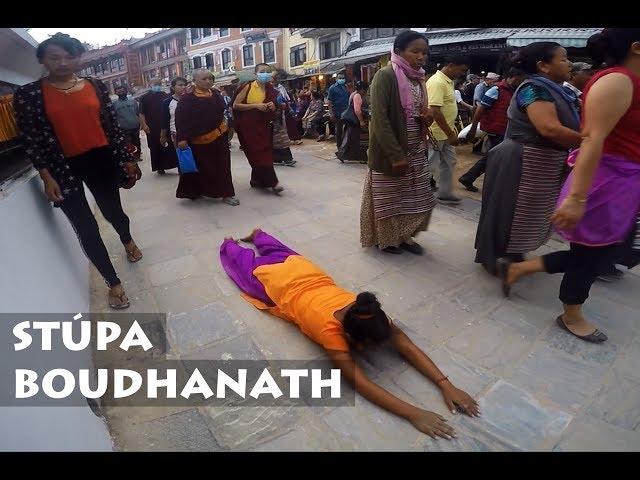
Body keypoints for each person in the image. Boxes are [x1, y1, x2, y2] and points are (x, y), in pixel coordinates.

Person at [220, 228, 480, 438]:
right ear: (348, 335)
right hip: (276, 282)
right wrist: (413, 413)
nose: (371, 352)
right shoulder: (329, 330)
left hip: (304, 270)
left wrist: (447, 385)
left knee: (280, 252)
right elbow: (361, 383)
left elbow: (407, 345)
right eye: (367, 346)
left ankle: (258, 236)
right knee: (240, 262)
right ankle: (232, 242)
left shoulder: (369, 311)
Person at [498, 29, 640, 344]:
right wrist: (577, 198)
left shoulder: (609, 83)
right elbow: (586, 138)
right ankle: (572, 313)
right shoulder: (615, 81)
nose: (568, 64)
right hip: (605, 181)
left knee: (604, 252)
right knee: (590, 255)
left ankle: (521, 270)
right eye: (561, 58)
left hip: (624, 180)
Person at [13, 33, 143, 310]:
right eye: (54, 57)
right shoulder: (29, 95)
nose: (62, 62)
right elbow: (31, 140)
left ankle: (127, 239)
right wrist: (46, 177)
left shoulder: (94, 86)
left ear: (79, 57)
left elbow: (111, 128)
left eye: (69, 56)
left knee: (113, 213)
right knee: (86, 227)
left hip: (100, 160)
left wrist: (126, 159)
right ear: (43, 60)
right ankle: (114, 283)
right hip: (61, 168)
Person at [474, 42, 582, 276]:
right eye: (563, 59)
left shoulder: (558, 90)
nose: (569, 63)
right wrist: (591, 142)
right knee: (506, 211)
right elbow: (549, 129)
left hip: (543, 162)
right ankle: (492, 257)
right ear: (543, 66)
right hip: (521, 159)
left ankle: (513, 252)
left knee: (526, 214)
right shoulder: (534, 89)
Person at [360, 30, 436, 255]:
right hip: (391, 153)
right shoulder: (385, 75)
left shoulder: (419, 77)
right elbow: (380, 120)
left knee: (415, 199)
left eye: (424, 52)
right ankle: (387, 240)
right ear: (399, 51)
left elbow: (419, 111)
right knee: (389, 201)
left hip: (415, 150)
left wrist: (427, 116)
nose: (421, 57)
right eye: (415, 51)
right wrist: (396, 155)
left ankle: (404, 236)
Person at [174, 69, 238, 205]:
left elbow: (222, 111)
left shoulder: (215, 93)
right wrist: (182, 138)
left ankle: (226, 193)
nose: (208, 81)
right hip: (198, 139)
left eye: (210, 78)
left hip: (219, 136)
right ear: (195, 81)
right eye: (204, 79)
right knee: (201, 167)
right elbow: (181, 119)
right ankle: (196, 191)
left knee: (223, 167)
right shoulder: (187, 98)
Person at [458, 68, 528, 192]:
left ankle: (469, 178)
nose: (522, 81)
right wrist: (473, 128)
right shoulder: (496, 90)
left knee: (493, 156)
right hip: (496, 129)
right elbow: (480, 109)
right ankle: (479, 181)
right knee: (495, 157)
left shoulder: (514, 90)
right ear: (514, 76)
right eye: (521, 79)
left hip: (505, 129)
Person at [232, 63, 284, 194]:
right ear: (256, 73)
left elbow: (281, 105)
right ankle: (274, 182)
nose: (265, 73)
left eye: (268, 71)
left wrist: (274, 106)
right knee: (260, 153)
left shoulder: (271, 89)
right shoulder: (248, 86)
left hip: (264, 125)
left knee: (263, 152)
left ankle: (256, 180)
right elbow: (236, 105)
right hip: (248, 126)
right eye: (262, 71)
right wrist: (255, 106)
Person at [426, 55, 472, 204]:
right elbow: (435, 111)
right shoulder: (437, 82)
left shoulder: (448, 82)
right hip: (436, 132)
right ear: (451, 65)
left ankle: (444, 192)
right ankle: (417, 193)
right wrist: (450, 134)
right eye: (462, 70)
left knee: (449, 161)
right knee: (429, 164)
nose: (462, 74)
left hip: (445, 131)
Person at [139, 78, 178, 174]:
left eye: (159, 83)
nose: (157, 85)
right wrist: (144, 125)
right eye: (155, 83)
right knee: (154, 146)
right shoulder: (144, 98)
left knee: (169, 146)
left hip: (165, 125)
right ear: (150, 84)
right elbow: (141, 113)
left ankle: (174, 164)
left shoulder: (166, 96)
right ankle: (159, 167)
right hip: (151, 126)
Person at [336, 80, 369, 163]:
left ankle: (342, 154)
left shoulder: (353, 94)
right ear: (362, 89)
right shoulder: (357, 96)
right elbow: (357, 110)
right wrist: (361, 121)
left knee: (349, 138)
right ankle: (360, 157)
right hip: (355, 120)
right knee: (357, 139)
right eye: (365, 89)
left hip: (351, 120)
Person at [271, 71, 297, 166]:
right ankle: (282, 159)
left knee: (282, 138)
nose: (276, 79)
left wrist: (287, 108)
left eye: (277, 77)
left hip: (280, 116)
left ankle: (285, 159)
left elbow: (285, 101)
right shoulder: (267, 90)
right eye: (274, 77)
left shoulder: (280, 89)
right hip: (271, 118)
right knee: (277, 139)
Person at [113, 85, 141, 160]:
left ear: (126, 91)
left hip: (135, 126)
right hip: (124, 128)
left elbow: (138, 113)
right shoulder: (114, 104)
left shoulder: (133, 101)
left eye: (122, 91)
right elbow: (114, 117)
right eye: (119, 92)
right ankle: (131, 157)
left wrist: (141, 124)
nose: (121, 93)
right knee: (128, 143)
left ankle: (137, 156)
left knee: (137, 141)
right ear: (115, 93)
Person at [160, 76, 187, 151]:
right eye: (180, 85)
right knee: (181, 156)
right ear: (173, 87)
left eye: (185, 85)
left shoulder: (190, 100)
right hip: (175, 134)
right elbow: (164, 120)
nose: (183, 87)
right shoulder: (167, 102)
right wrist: (163, 136)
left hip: (190, 133)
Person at [327, 72, 350, 150]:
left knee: (347, 130)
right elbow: (329, 101)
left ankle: (345, 146)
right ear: (336, 79)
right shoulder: (332, 88)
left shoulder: (346, 87)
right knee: (339, 130)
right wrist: (331, 113)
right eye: (340, 78)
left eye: (343, 78)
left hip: (347, 112)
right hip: (337, 112)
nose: (342, 79)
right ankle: (339, 147)